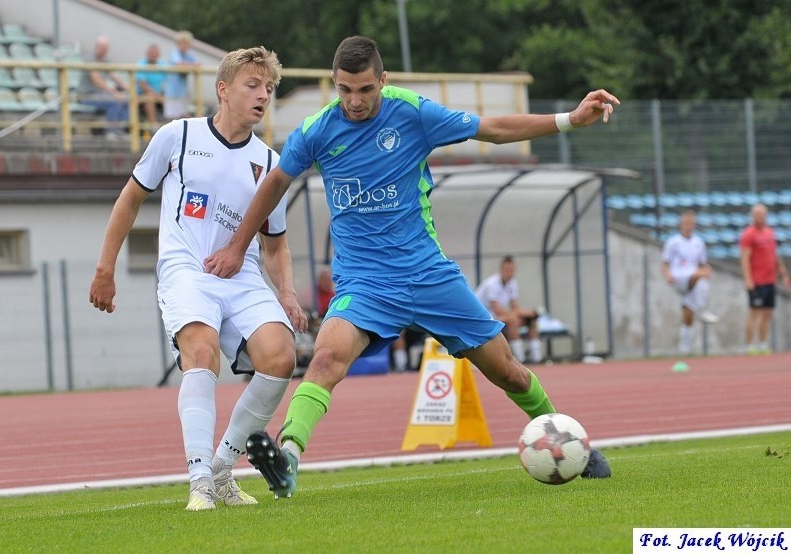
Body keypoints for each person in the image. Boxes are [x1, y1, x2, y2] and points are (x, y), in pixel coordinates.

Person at [204, 35, 617, 498]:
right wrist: (239, 246)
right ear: (334, 85)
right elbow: (274, 184)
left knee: (510, 373)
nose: (355, 101)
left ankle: (566, 439)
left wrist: (569, 120)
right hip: (365, 282)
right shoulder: (317, 130)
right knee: (323, 359)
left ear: (383, 80)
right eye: (344, 90)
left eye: (365, 90)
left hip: (428, 275)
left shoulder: (414, 113)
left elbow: (494, 128)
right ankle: (288, 457)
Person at [89, 46, 307, 511]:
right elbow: (130, 199)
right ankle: (199, 479)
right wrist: (105, 268)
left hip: (243, 277)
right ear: (223, 90)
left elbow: (276, 244)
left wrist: (287, 292)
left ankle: (224, 468)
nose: (263, 95)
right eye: (253, 85)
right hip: (187, 271)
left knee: (281, 356)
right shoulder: (178, 136)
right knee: (201, 351)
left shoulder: (271, 163)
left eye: (269, 88)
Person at [661, 210, 719, 355]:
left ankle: (684, 347)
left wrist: (707, 270)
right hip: (679, 277)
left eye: (690, 224)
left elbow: (703, 263)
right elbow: (665, 263)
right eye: (685, 223)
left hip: (691, 280)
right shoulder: (673, 242)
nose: (688, 226)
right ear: (681, 225)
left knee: (688, 313)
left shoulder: (698, 243)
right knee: (700, 276)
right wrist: (667, 275)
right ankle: (703, 309)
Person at [739, 203, 790, 355]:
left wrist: (782, 272)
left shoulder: (769, 232)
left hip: (770, 280)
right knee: (754, 313)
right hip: (756, 280)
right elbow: (744, 258)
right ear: (753, 216)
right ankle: (749, 346)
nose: (760, 218)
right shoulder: (748, 234)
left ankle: (763, 344)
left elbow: (774, 254)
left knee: (767, 313)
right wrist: (748, 279)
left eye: (762, 215)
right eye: (757, 215)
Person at [475, 255, 544, 364]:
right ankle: (520, 360)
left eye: (512, 270)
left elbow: (514, 307)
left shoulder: (513, 283)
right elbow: (497, 310)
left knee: (531, 320)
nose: (510, 273)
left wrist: (528, 314)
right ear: (501, 270)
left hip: (498, 316)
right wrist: (522, 312)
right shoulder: (492, 284)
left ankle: (537, 358)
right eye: (507, 270)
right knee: (513, 320)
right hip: (484, 318)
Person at [77, 36, 129, 140]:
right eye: (102, 48)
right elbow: (97, 81)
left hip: (99, 94)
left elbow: (113, 76)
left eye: (105, 48)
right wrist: (114, 92)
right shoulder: (89, 60)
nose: (104, 51)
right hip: (87, 95)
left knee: (127, 101)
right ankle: (111, 131)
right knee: (114, 101)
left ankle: (119, 129)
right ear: (96, 47)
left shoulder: (105, 60)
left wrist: (127, 88)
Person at [164, 30, 200, 120]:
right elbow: (179, 64)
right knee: (172, 118)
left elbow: (198, 64)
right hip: (172, 92)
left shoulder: (188, 55)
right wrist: (190, 65)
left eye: (187, 43)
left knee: (183, 117)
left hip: (182, 92)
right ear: (178, 43)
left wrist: (187, 64)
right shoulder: (174, 53)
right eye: (183, 43)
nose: (185, 45)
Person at [135, 43, 168, 134]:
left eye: (154, 53)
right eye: (150, 53)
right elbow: (142, 84)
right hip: (144, 94)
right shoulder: (142, 64)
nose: (152, 55)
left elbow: (168, 81)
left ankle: (170, 125)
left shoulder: (162, 64)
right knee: (149, 97)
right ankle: (154, 125)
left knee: (174, 97)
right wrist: (155, 93)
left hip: (160, 94)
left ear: (158, 54)